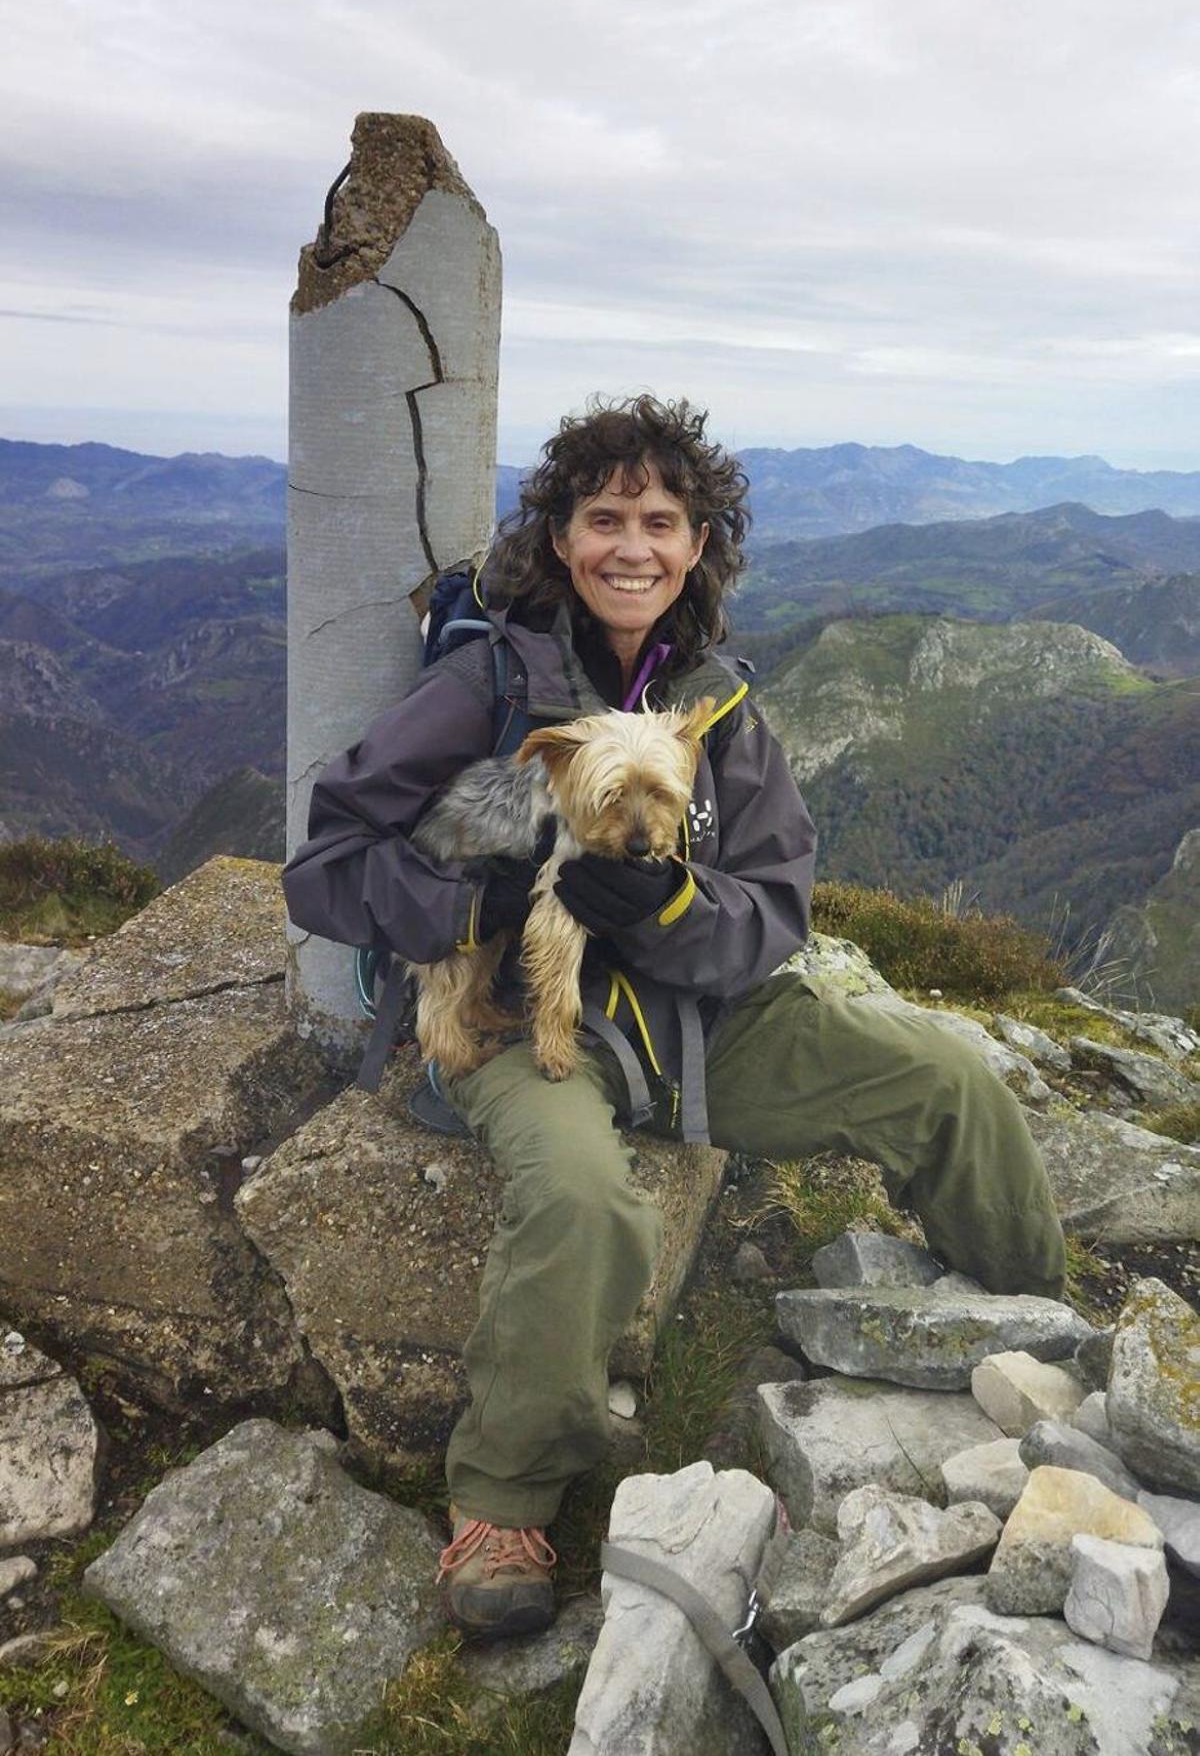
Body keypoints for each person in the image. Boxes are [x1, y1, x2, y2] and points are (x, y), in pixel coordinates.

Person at [281, 394, 1066, 1640]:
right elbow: (322, 865)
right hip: (525, 1015)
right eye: (604, 518)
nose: (632, 546)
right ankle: (501, 1501)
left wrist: (667, 904)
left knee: (947, 1074)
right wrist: (464, 894)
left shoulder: (717, 708)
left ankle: (1045, 1337)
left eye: (661, 520)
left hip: (704, 1013)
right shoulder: (489, 682)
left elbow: (777, 909)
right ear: (563, 537)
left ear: (698, 544)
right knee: (588, 1197)